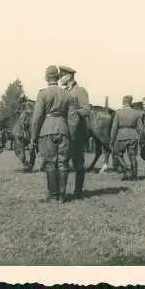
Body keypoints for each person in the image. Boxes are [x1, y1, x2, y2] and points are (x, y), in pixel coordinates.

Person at [29, 66, 77, 203]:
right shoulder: (67, 94)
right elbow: (72, 119)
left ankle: (53, 195)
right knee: (63, 162)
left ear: (46, 78)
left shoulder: (42, 94)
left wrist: (33, 137)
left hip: (47, 130)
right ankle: (62, 196)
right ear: (57, 77)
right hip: (63, 130)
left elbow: (37, 117)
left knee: (50, 163)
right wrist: (71, 136)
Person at [58, 65, 91, 200]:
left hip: (77, 132)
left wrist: (73, 113)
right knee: (63, 161)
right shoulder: (65, 91)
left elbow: (86, 110)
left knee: (78, 163)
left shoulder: (80, 91)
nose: (60, 78)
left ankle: (78, 191)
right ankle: (62, 192)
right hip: (66, 131)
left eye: (62, 76)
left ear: (69, 77)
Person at [110, 95, 142, 181]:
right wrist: (141, 138)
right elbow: (140, 128)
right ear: (130, 103)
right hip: (133, 136)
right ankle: (135, 176)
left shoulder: (118, 112)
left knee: (117, 154)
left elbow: (114, 128)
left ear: (123, 102)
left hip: (121, 136)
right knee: (132, 156)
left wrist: (112, 139)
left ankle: (126, 171)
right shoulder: (136, 113)